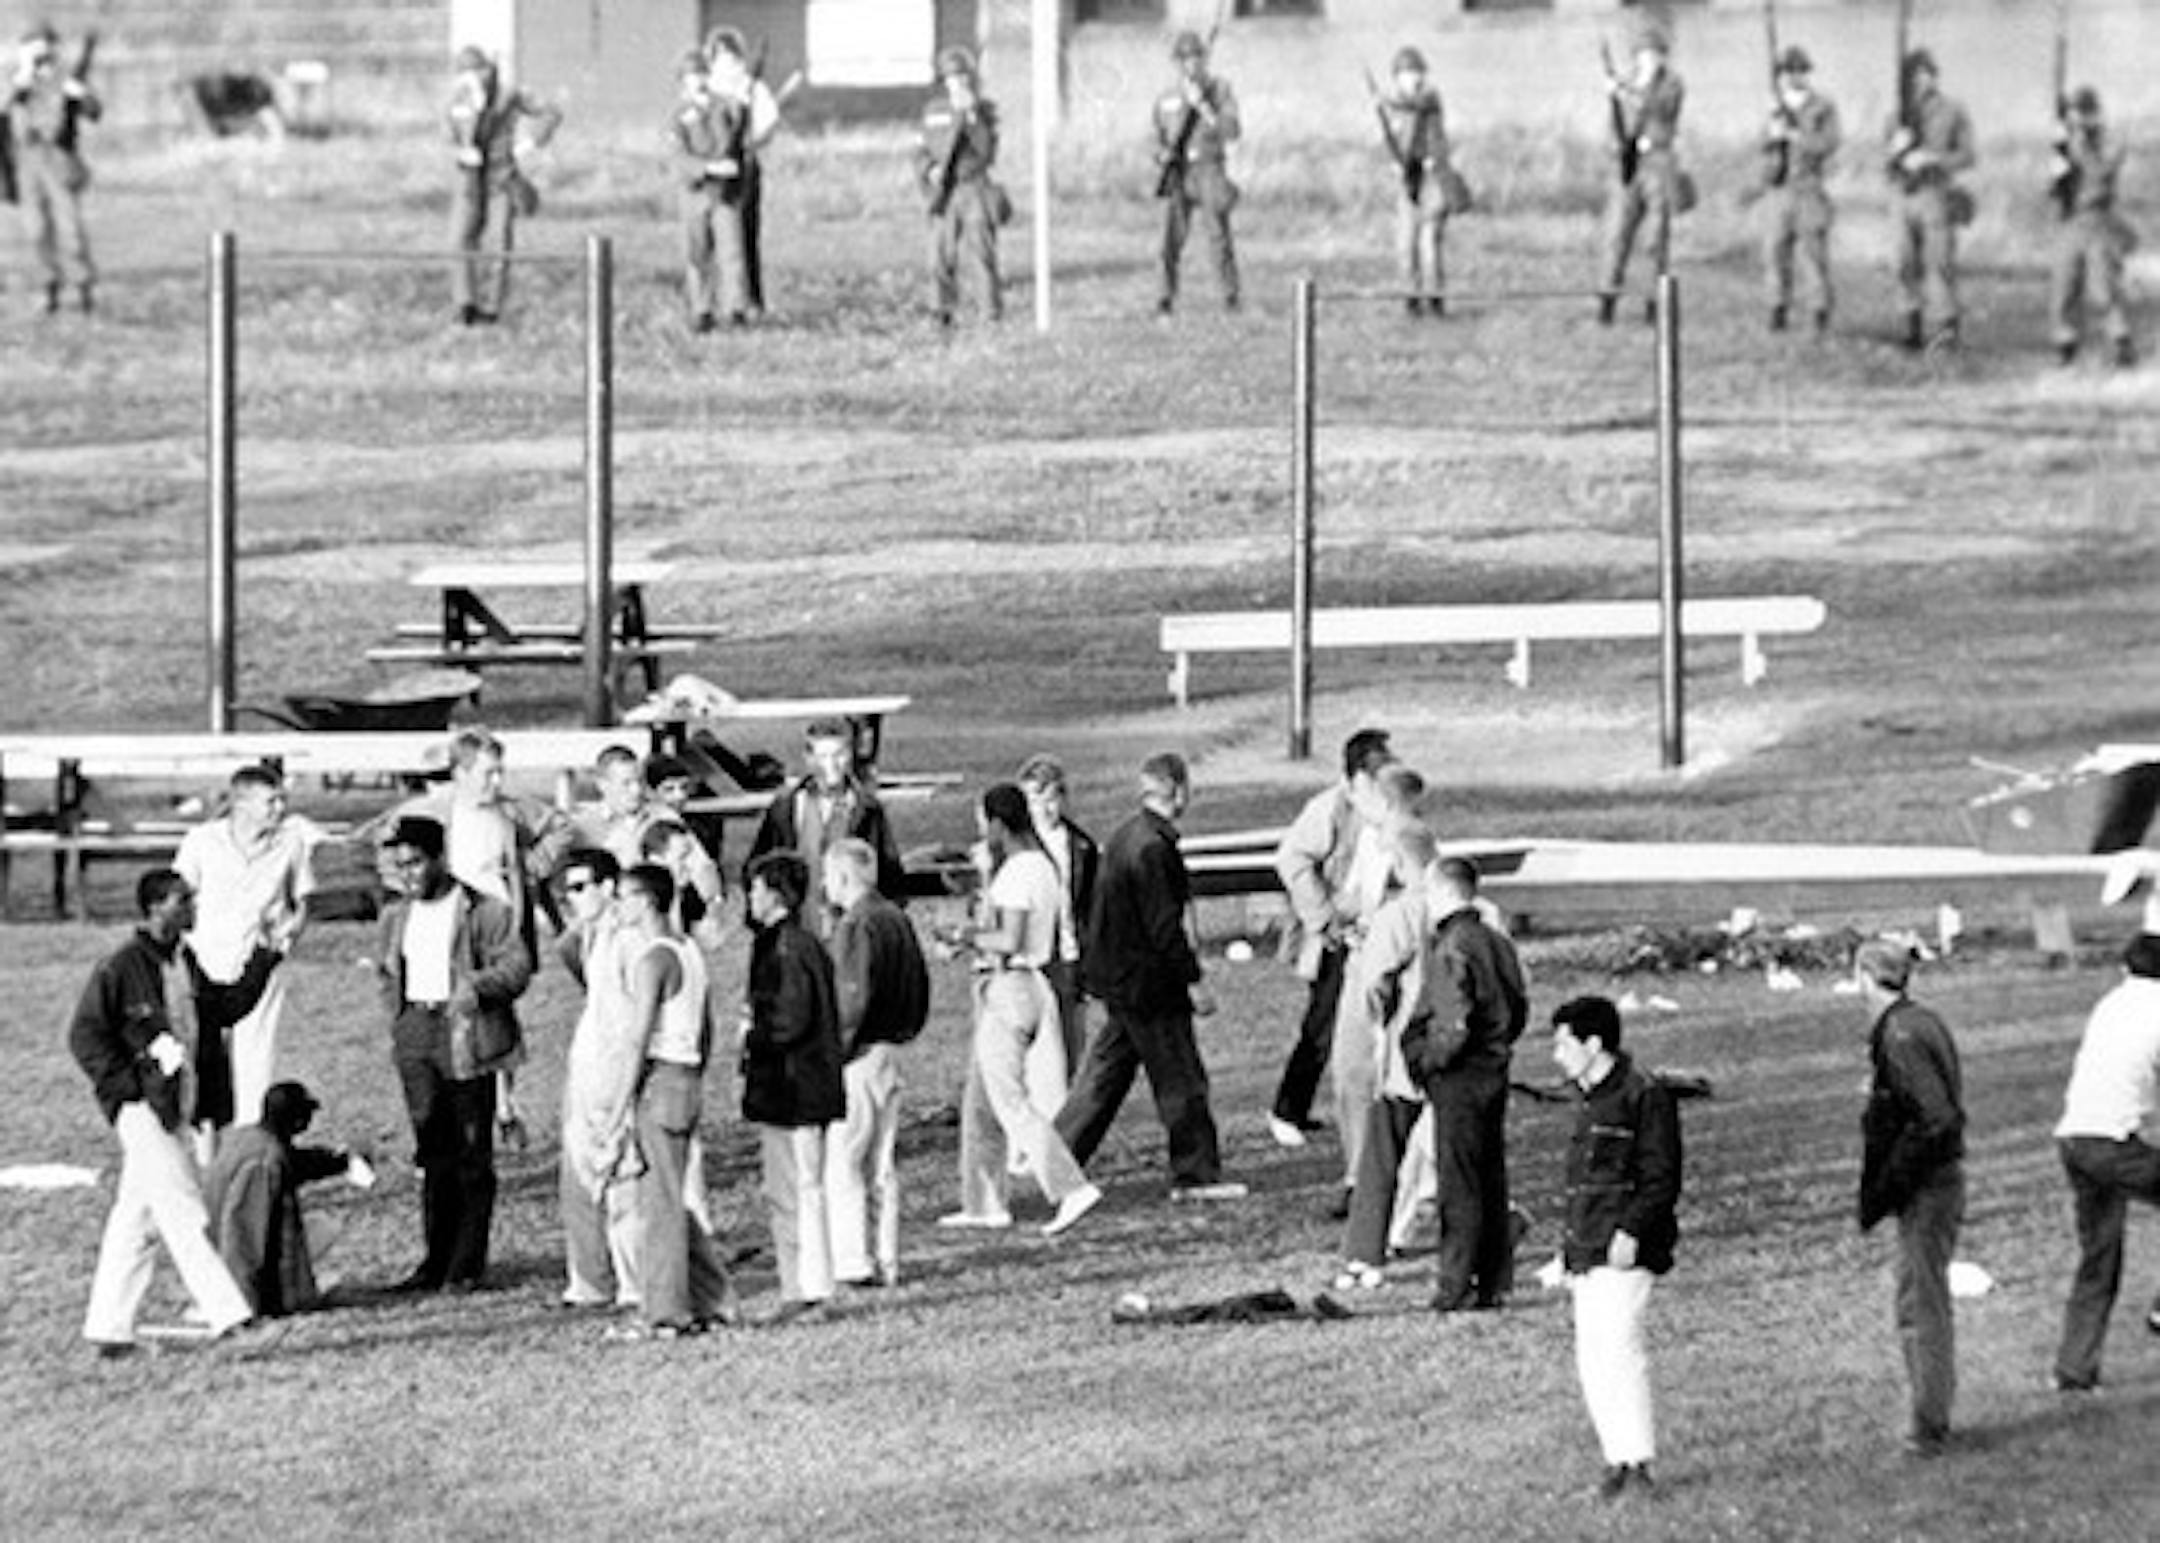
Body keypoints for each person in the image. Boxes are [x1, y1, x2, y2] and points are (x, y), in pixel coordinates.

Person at [69, 870, 260, 1357]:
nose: (193, 905)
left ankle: (109, 1329)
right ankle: (232, 1318)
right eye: (183, 899)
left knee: (137, 1219)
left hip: (176, 1105)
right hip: (143, 1107)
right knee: (183, 1209)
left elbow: (222, 1008)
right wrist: (130, 1088)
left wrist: (267, 956)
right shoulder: (119, 967)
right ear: (155, 908)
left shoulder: (182, 961)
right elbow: (86, 1036)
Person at [1055, 753, 1244, 1201]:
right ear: (1178, 791)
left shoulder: (1124, 837)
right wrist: (1192, 979)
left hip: (1120, 980)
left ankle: (1055, 1163)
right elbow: (1164, 926)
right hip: (1151, 985)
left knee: (1102, 1081)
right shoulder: (1155, 849)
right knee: (1181, 1080)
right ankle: (1196, 1173)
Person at [381, 728, 571, 1151]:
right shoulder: (436, 812)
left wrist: (530, 866)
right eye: (487, 773)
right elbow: (384, 846)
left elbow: (560, 827)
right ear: (460, 773)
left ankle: (502, 1104)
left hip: (494, 923)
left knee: (494, 1014)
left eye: (500, 773)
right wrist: (404, 888)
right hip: (445, 928)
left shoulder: (510, 812)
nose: (496, 782)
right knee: (448, 1018)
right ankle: (446, 1123)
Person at [374, 815, 534, 1294]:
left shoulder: (480, 909)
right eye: (399, 865)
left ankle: (466, 1262)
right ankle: (434, 1257)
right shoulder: (395, 914)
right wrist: (400, 1019)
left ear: (439, 858)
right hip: (415, 1031)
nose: (409, 874)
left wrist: (475, 988)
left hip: (462, 1027)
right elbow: (386, 970)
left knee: (469, 1151)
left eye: (417, 862)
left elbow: (517, 965)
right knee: (432, 1147)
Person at [945, 785, 1104, 1236]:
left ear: (997, 824)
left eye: (983, 823)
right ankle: (983, 1201)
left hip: (1011, 988)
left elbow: (1009, 940)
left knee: (1011, 1102)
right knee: (980, 1104)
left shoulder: (1018, 873)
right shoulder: (1043, 866)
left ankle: (1070, 1186)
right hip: (1031, 985)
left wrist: (963, 937)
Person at [1550, 995, 1683, 1502]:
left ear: (1594, 1043)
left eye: (1564, 1045)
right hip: (1587, 1248)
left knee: (1621, 1352)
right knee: (1594, 1357)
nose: (1558, 1057)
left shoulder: (1644, 1095)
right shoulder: (1589, 1097)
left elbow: (1660, 1176)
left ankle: (1638, 1463)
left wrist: (1630, 1231)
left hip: (1623, 1249)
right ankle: (1616, 1460)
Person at [601, 864, 732, 1340]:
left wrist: (617, 1105)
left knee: (659, 1204)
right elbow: (706, 1025)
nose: (619, 907)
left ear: (646, 901)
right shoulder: (689, 951)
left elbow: (637, 1039)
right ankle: (710, 1296)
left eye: (624, 897)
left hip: (661, 1079)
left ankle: (665, 1311)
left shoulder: (653, 959)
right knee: (672, 1195)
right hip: (686, 1077)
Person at [1852, 937, 1965, 1458]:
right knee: (1921, 1299)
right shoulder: (1921, 1021)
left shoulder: (1897, 1034)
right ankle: (1930, 1419)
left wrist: (1892, 1180)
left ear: (1863, 976)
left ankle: (1929, 1428)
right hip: (1937, 1182)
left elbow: (1936, 1118)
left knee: (1920, 1306)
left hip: (1927, 1186)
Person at [1400, 856, 1527, 1312]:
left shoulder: (1452, 946)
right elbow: (1518, 1005)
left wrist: (1428, 1062)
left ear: (1441, 892)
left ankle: (1456, 1282)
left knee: (1460, 1184)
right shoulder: (1496, 941)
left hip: (1460, 1074)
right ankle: (1492, 1279)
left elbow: (1453, 1022)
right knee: (1491, 1177)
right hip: (1493, 1067)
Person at [173, 763, 315, 1152]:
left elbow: (301, 902)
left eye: (282, 799)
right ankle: (207, 1155)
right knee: (205, 1061)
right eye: (271, 801)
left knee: (256, 1061)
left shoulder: (291, 843)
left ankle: (250, 1154)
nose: (280, 808)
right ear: (241, 804)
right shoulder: (201, 841)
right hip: (205, 964)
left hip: (261, 964)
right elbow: (176, 897)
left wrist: (283, 941)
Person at [1270, 728, 1395, 1154]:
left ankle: (1317, 1109)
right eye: (1380, 769)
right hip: (1333, 935)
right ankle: (1286, 1109)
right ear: (1358, 775)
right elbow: (1291, 860)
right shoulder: (1327, 810)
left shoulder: (1381, 808)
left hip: (1366, 930)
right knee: (1323, 1025)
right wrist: (1323, 919)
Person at [2051, 934, 2160, 1392]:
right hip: (2114, 1144)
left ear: (2125, 968)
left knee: (2099, 1258)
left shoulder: (2110, 1004)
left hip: (2074, 1138)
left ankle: (2074, 1371)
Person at [822, 837, 930, 1286]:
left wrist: (833, 1053)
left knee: (845, 1161)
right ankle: (886, 1256)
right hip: (892, 1050)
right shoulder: (897, 918)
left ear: (842, 877)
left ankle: (852, 1259)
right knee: (882, 1165)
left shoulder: (857, 925)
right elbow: (921, 987)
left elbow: (852, 997)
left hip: (860, 1054)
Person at [742, 851, 845, 1320]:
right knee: (803, 1186)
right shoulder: (801, 944)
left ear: (776, 894)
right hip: (807, 1086)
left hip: (792, 1088)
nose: (750, 898)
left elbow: (790, 1019)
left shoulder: (783, 949)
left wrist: (753, 1035)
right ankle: (806, 1283)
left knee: (795, 1190)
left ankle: (805, 1287)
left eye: (756, 889)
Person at [1323, 761, 1429, 1213]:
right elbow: (1353, 897)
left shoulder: (1405, 840)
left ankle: (1380, 1182)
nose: (1354, 803)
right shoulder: (1371, 838)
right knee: (1351, 1075)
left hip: (1384, 971)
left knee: (1373, 1074)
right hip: (1363, 957)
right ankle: (1360, 1173)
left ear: (1383, 800)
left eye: (1363, 796)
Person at [553, 848, 643, 1311]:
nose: (571, 899)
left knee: (622, 1178)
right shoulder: (588, 937)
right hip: (586, 1068)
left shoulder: (630, 939)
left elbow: (631, 1019)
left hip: (615, 1066)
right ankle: (588, 1281)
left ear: (608, 888)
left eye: (579, 888)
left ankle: (632, 1282)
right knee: (578, 1178)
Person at [203, 1081, 375, 1319]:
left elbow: (296, 1163)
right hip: (231, 1270)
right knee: (326, 1226)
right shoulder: (266, 1161)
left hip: (213, 1256)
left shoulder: (248, 1138)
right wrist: (247, 1304)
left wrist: (340, 1161)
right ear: (295, 1119)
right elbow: (243, 1235)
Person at [745, 718, 906, 930]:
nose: (831, 765)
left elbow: (889, 874)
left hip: (851, 931)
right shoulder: (786, 808)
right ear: (808, 758)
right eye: (822, 756)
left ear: (851, 754)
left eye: (839, 754)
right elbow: (757, 867)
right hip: (798, 928)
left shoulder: (866, 809)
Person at [445, 45, 561, 326]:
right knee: (459, 239)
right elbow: (448, 133)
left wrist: (531, 142)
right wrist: (460, 151)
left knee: (500, 242)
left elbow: (550, 111)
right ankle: (465, 304)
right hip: (469, 181)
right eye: (466, 74)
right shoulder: (457, 99)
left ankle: (492, 307)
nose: (473, 79)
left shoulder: (509, 94)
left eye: (478, 72)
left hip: (502, 179)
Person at [672, 43, 776, 333]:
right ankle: (701, 310)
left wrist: (742, 109)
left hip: (725, 193)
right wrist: (708, 168)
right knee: (698, 253)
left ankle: (736, 309)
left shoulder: (724, 107)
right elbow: (679, 156)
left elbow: (735, 139)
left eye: (703, 74)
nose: (699, 80)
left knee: (732, 252)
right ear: (682, 82)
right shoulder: (679, 116)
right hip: (696, 193)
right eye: (692, 76)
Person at [1596, 21, 1687, 327]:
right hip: (1630, 166)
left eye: (1654, 53)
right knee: (1616, 234)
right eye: (1643, 53)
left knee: (1655, 239)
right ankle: (1607, 299)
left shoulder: (1670, 84)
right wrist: (1616, 146)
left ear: (1663, 57)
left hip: (1658, 164)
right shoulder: (1627, 85)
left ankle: (1654, 301)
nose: (1648, 59)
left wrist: (1626, 91)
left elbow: (1662, 108)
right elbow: (1615, 127)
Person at [1883, 49, 1975, 353]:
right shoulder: (1896, 115)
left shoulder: (1953, 110)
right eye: (1915, 74)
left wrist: (1932, 158)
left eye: (1926, 73)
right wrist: (1895, 151)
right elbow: (1885, 165)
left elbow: (1968, 156)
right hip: (1902, 197)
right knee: (1903, 263)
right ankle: (1912, 327)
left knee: (1939, 263)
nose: (1921, 80)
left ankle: (1946, 329)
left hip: (1935, 194)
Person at [1017, 753, 1101, 1079]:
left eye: (1052, 798)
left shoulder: (1081, 846)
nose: (1044, 809)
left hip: (1069, 952)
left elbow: (1090, 904)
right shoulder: (1018, 846)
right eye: (1036, 800)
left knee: (1069, 1039)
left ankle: (1064, 1108)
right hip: (1031, 953)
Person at [6, 23, 99, 315]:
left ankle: (83, 288)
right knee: (36, 230)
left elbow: (94, 111)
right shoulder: (17, 85)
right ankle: (50, 286)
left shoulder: (66, 81)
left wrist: (79, 95)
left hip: (58, 160)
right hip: (28, 163)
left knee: (70, 228)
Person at [1152, 30, 1241, 316]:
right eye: (1185, 59)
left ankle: (1230, 297)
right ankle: (1164, 298)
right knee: (1169, 237)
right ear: (1177, 63)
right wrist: (1160, 154)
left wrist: (1203, 107)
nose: (1191, 64)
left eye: (1196, 57)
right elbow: (1155, 135)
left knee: (1218, 234)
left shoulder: (1219, 90)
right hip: (1178, 171)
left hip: (1209, 166)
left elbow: (1232, 131)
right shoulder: (1166, 97)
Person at [2047, 87, 2136, 370]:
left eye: (2087, 113)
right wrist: (2057, 169)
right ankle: (2066, 348)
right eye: (2077, 114)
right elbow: (2055, 192)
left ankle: (2122, 346)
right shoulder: (2067, 144)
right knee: (2063, 287)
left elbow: (2101, 174)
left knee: (2103, 289)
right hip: (2071, 222)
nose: (2082, 120)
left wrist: (2077, 148)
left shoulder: (2107, 142)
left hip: (2099, 221)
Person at [916, 46, 1004, 328]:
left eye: (963, 76)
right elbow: (920, 150)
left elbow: (987, 151)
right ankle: (940, 310)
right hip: (945, 190)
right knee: (939, 254)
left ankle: (989, 312)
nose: (958, 82)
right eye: (952, 77)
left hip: (974, 186)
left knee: (981, 252)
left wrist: (972, 118)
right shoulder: (933, 112)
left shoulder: (984, 111)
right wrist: (929, 170)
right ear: (944, 81)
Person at [1759, 45, 1841, 336]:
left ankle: (1819, 313)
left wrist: (1796, 135)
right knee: (1774, 252)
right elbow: (1761, 147)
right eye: (1788, 71)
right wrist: (1772, 133)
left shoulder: (1823, 106)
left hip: (1808, 188)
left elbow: (1828, 144)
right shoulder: (1776, 107)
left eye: (1799, 70)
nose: (1794, 76)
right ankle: (1776, 309)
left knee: (1813, 255)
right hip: (1779, 189)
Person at [707, 27, 784, 319]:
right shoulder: (710, 87)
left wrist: (753, 141)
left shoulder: (752, 87)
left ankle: (751, 299)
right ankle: (721, 298)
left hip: (746, 165)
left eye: (730, 55)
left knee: (748, 233)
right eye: (720, 55)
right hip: (716, 167)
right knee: (717, 234)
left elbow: (769, 119)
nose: (726, 61)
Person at [1375, 47, 1455, 317]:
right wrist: (1394, 160)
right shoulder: (1396, 108)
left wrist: (1383, 100)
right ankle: (1411, 297)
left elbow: (1415, 106)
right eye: (1407, 73)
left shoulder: (1428, 99)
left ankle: (1435, 297)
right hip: (1408, 178)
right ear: (1397, 77)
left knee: (1429, 241)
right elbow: (1393, 141)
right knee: (1405, 242)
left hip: (1432, 177)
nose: (1414, 78)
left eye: (1417, 72)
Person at [571, 743, 665, 870]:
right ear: (602, 784)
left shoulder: (662, 818)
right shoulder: (583, 827)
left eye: (640, 781)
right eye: (626, 783)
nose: (636, 790)